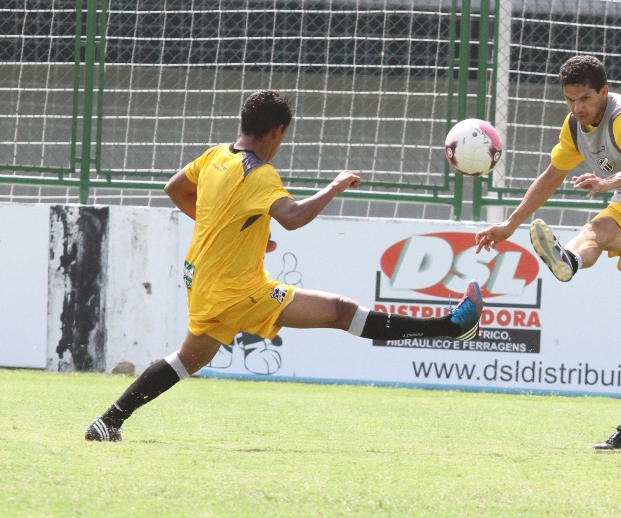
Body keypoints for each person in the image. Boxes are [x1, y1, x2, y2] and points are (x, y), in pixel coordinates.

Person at [86, 90, 483, 442]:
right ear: (276, 132)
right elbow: (292, 218)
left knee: (187, 360)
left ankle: (108, 421)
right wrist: (334, 186)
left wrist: (223, 229)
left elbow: (175, 189)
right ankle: (452, 326)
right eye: (284, 136)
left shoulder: (215, 156)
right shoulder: (258, 174)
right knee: (340, 312)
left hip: (206, 281)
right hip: (237, 289)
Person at [475, 56, 621, 450]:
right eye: (570, 100)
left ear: (604, 92)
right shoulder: (573, 127)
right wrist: (510, 225)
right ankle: (570, 261)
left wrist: (608, 179)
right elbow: (552, 176)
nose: (578, 108)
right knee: (596, 228)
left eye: (585, 98)